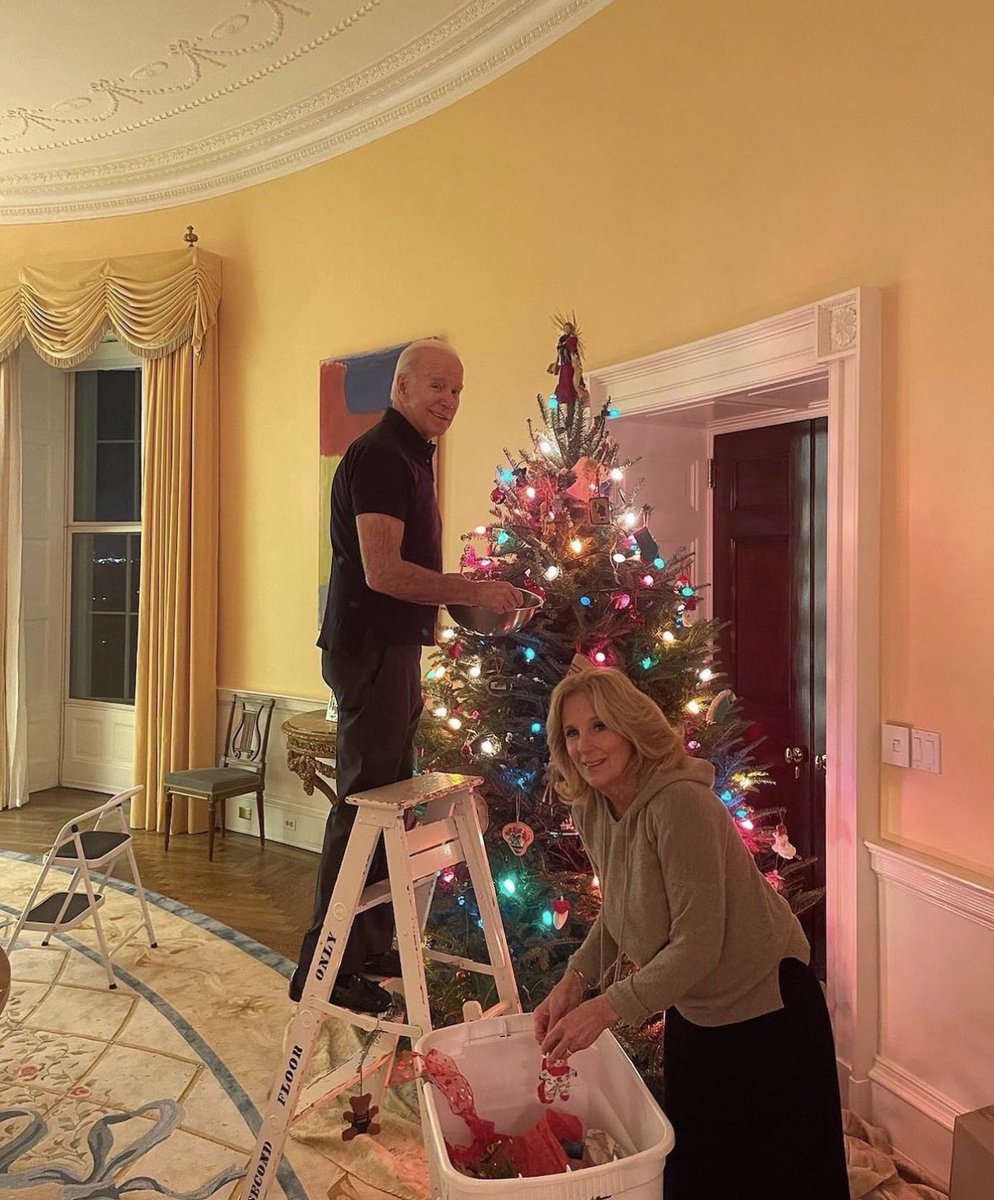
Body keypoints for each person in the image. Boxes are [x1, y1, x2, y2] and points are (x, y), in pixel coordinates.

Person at [534, 664, 849, 1200]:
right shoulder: (595, 808)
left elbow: (697, 945)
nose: (585, 746)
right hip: (696, 1006)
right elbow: (623, 909)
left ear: (631, 729)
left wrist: (605, 1008)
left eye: (599, 727)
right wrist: (575, 979)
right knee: (699, 1169)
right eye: (572, 732)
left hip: (768, 1005)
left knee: (781, 1177)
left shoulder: (682, 805)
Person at [291, 339, 522, 1012]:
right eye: (436, 387)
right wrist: (467, 587)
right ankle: (324, 967)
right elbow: (383, 572)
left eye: (456, 391)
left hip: (389, 650)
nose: (448, 400)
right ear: (401, 388)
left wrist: (462, 589)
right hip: (370, 651)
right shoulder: (384, 457)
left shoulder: (409, 458)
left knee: (384, 805)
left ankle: (364, 948)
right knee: (362, 808)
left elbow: (401, 578)